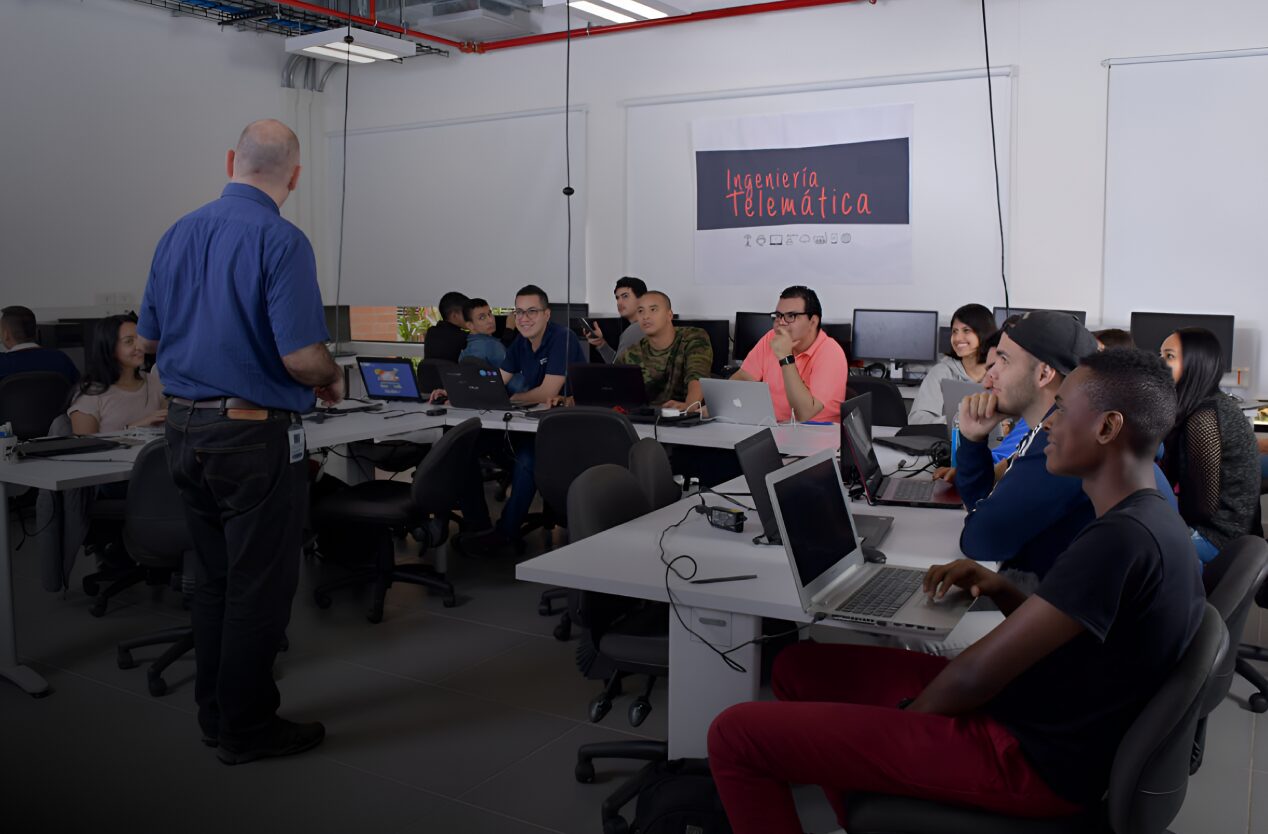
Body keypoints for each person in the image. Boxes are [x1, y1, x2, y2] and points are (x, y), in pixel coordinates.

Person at [707, 348, 1205, 833]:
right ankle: (869, 812)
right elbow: (1082, 637)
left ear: (1107, 427)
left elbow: (974, 675)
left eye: (1062, 410)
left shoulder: (1118, 540)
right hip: (1040, 715)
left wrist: (906, 725)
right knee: (797, 667)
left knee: (736, 734)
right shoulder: (1147, 516)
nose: (1048, 423)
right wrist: (1003, 590)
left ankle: (884, 791)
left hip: (1028, 758)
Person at [138, 119, 342, 764]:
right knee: (258, 586)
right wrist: (332, 376)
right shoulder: (281, 239)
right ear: (296, 177)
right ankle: (249, 730)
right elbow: (301, 357)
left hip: (181, 428)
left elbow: (144, 342)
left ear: (231, 161)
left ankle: (215, 715)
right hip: (250, 436)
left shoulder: (176, 233)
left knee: (214, 582)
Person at [954, 312, 1174, 582]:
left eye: (1004, 360)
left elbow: (980, 540)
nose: (988, 379)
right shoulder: (1051, 430)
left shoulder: (1066, 443)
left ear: (1045, 373)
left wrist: (971, 445)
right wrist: (973, 440)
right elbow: (985, 508)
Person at [454, 285, 587, 555]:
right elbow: (496, 383)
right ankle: (478, 526)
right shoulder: (521, 344)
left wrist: (509, 398)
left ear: (547, 314)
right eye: (520, 312)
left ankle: (506, 532)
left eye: (532, 311)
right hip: (527, 426)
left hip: (564, 432)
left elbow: (548, 392)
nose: (524, 318)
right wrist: (454, 391)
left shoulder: (562, 338)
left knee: (528, 458)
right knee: (464, 447)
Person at [1158, 327, 1259, 565]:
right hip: (1220, 531)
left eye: (1169, 356)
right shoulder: (1204, 404)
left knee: (1132, 547)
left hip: (1217, 539)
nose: (1160, 363)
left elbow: (1202, 508)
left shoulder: (1205, 417)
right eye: (1160, 355)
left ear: (1196, 363)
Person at [728, 285, 848, 423]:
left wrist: (785, 358)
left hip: (814, 435)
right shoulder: (771, 338)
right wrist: (720, 407)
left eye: (791, 316)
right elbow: (743, 377)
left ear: (813, 322)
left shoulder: (831, 352)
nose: (781, 323)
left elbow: (804, 414)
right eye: (778, 316)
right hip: (773, 428)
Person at [68, 313, 166, 435]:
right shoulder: (90, 394)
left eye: (140, 339)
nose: (140, 346)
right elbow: (85, 447)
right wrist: (134, 428)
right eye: (129, 341)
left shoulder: (156, 383)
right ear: (110, 347)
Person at [615, 291, 712, 410]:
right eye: (640, 311)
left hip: (684, 418)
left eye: (653, 310)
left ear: (669, 315)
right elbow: (612, 388)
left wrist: (689, 407)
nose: (646, 316)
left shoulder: (693, 337)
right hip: (646, 421)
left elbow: (697, 377)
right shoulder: (631, 353)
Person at [907, 303, 997, 424]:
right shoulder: (941, 372)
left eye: (966, 330)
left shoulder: (1000, 374)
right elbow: (917, 420)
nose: (957, 338)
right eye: (955, 331)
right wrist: (959, 422)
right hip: (949, 441)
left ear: (984, 334)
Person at [0, 305, 79, 385]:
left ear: (6, 335)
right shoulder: (61, 358)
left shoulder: (2, 363)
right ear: (36, 332)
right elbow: (79, 389)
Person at [586, 276, 646, 363]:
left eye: (625, 296)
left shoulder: (634, 330)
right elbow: (618, 364)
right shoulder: (644, 326)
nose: (619, 302)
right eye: (617, 298)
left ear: (642, 299)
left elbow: (617, 369)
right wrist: (601, 344)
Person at [423, 291, 470, 363]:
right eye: (467, 313)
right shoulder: (461, 336)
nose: (470, 317)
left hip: (430, 373)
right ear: (454, 316)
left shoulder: (431, 332)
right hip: (450, 373)